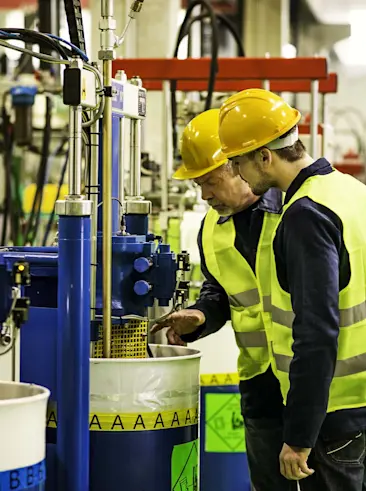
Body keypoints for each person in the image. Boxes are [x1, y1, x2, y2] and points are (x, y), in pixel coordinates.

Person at [218, 88, 366, 491]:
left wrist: (299, 436)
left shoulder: (305, 215)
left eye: (238, 162)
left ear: (265, 156)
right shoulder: (349, 190)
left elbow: (316, 332)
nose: (237, 174)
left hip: (333, 414)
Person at [151, 108, 297, 491]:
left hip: (314, 383)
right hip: (260, 386)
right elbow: (220, 291)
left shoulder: (295, 212)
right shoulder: (211, 230)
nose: (205, 195)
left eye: (211, 181)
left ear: (240, 166)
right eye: (199, 185)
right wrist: (200, 314)